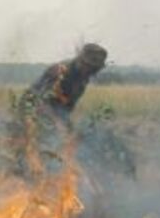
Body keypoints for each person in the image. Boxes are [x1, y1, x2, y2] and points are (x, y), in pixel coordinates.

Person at [16, 43, 108, 174]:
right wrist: (59, 124)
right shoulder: (60, 72)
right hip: (33, 109)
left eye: (93, 68)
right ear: (81, 60)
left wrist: (67, 125)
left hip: (57, 112)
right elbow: (40, 102)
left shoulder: (83, 77)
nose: (89, 70)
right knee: (47, 141)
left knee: (73, 141)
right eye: (87, 65)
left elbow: (66, 105)